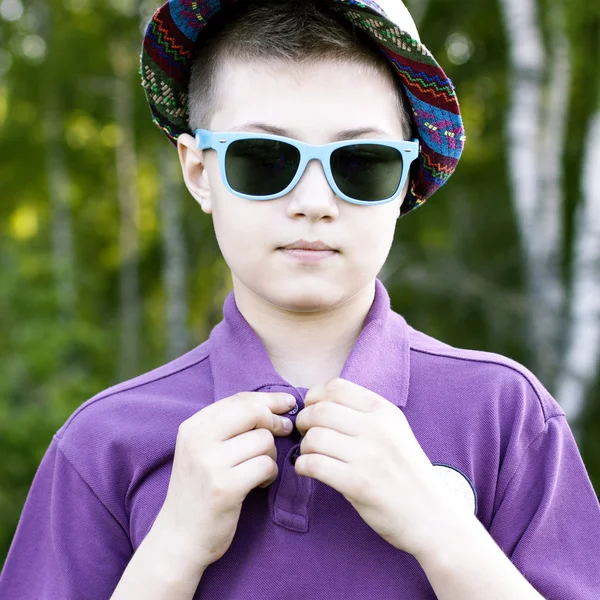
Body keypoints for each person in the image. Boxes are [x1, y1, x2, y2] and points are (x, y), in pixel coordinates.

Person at [1, 0, 599, 598]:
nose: (313, 201)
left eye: (362, 163)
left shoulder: (506, 417)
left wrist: (444, 535)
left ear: (405, 182)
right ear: (199, 172)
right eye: (263, 159)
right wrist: (169, 554)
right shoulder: (103, 445)